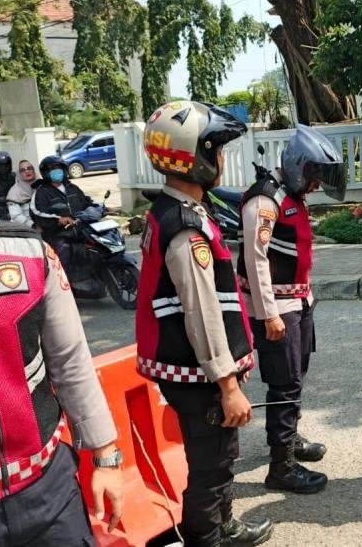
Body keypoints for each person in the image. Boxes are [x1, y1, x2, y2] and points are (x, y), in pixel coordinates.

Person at [0, 109, 123, 543]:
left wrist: (106, 456)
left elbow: (71, 363)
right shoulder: (21, 196)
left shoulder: (28, 256)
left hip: (49, 490)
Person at [136, 100, 273, 547]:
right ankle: (206, 537)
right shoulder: (185, 229)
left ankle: (225, 525)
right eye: (216, 149)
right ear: (193, 157)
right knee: (212, 464)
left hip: (197, 372)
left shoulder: (177, 210)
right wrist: (228, 385)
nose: (223, 158)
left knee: (220, 454)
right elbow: (202, 311)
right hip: (200, 376)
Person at [236, 124, 346, 494]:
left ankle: (290, 438)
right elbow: (255, 259)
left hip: (298, 301)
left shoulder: (291, 196)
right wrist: (268, 314)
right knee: (284, 383)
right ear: (299, 166)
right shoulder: (264, 200)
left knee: (296, 375)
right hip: (277, 306)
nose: (316, 184)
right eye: (314, 175)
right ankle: (280, 466)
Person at [30, 155, 94, 269]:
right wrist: (59, 220)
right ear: (46, 173)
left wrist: (99, 208)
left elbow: (86, 202)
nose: (57, 171)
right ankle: (63, 282)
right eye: (53, 169)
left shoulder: (72, 188)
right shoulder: (41, 192)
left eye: (59, 168)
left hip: (80, 230)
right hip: (58, 234)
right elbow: (38, 213)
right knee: (62, 254)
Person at [7, 159, 39, 228]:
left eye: (29, 168)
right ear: (19, 174)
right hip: (23, 229)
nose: (27, 171)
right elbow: (16, 216)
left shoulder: (41, 186)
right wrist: (33, 225)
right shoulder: (14, 192)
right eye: (22, 170)